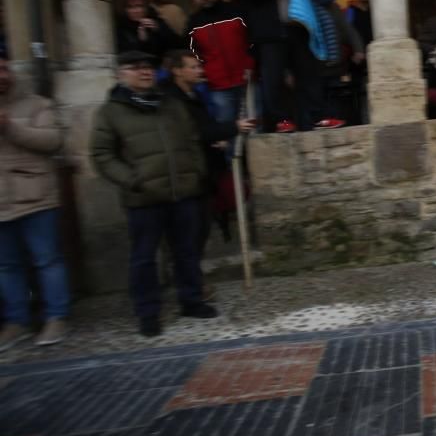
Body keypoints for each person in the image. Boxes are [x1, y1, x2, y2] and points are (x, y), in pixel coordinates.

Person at [91, 51, 216, 337]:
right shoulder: (110, 112)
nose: (143, 71)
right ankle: (148, 313)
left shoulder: (171, 104)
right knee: (144, 258)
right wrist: (132, 180)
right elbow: (101, 154)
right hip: (143, 198)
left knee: (187, 252)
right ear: (121, 73)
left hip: (182, 193)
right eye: (134, 67)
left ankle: (192, 301)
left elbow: (192, 141)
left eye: (147, 66)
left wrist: (195, 173)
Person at [235, 0, 334, 133]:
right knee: (273, 79)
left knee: (309, 74)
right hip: (269, 33)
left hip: (297, 29)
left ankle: (319, 117)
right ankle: (280, 121)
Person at [0, 57, 71, 350]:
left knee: (47, 260)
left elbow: (52, 140)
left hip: (35, 196)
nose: (1, 76)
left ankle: (57, 316)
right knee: (6, 266)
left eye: (4, 69)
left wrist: (9, 127)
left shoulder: (36, 104)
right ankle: (16, 321)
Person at [161, 50, 255, 254]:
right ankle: (189, 281)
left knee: (200, 226)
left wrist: (216, 139)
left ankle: (193, 280)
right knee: (190, 231)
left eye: (199, 66)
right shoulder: (171, 100)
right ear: (177, 71)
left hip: (201, 169)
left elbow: (202, 127)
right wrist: (233, 127)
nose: (199, 70)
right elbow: (191, 131)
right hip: (184, 173)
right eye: (193, 67)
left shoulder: (192, 94)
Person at [185, 0, 255, 128]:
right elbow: (191, 51)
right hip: (218, 84)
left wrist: (251, 63)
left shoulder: (237, 11)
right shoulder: (193, 22)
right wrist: (206, 70)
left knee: (254, 126)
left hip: (248, 79)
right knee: (226, 127)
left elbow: (254, 39)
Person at [115, 0, 180, 66]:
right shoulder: (121, 30)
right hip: (138, 68)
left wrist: (158, 29)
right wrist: (143, 40)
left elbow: (177, 44)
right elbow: (126, 56)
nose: (136, 11)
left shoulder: (157, 21)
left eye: (139, 6)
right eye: (130, 7)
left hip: (162, 68)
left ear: (145, 7)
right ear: (124, 10)